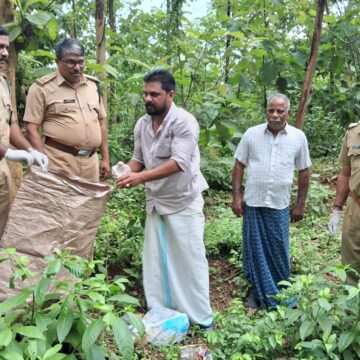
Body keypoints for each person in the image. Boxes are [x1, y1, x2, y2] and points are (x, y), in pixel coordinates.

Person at [116, 69, 213, 328]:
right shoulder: (142, 124)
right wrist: (126, 173)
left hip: (184, 200)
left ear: (171, 94)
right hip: (157, 202)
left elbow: (179, 162)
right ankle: (162, 310)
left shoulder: (184, 121)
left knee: (190, 259)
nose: (148, 99)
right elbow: (138, 159)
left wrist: (139, 178)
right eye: (146, 94)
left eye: (154, 94)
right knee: (157, 258)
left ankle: (201, 318)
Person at [232, 93, 311, 309]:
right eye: (271, 110)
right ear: (266, 111)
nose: (275, 115)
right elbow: (239, 165)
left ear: (288, 113)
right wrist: (236, 196)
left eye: (280, 111)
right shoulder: (251, 134)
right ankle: (255, 291)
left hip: (279, 204)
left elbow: (304, 171)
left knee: (279, 250)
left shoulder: (298, 137)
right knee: (253, 250)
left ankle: (281, 290)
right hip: (254, 202)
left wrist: (300, 203)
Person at [24, 38, 110, 182]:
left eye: (81, 62)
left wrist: (105, 158)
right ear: (57, 62)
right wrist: (43, 161)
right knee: (59, 204)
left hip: (90, 164)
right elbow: (31, 129)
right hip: (58, 162)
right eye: (71, 62)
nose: (77, 67)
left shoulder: (93, 86)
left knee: (88, 204)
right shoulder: (42, 88)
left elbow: (101, 123)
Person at [0, 26, 48, 238]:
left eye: (6, 48)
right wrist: (9, 153)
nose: (4, 53)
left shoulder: (3, 83)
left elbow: (10, 124)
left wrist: (30, 150)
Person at [328, 122, 360, 285]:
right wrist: (336, 209)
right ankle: (351, 309)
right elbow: (345, 174)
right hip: (356, 209)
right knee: (351, 267)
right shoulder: (353, 133)